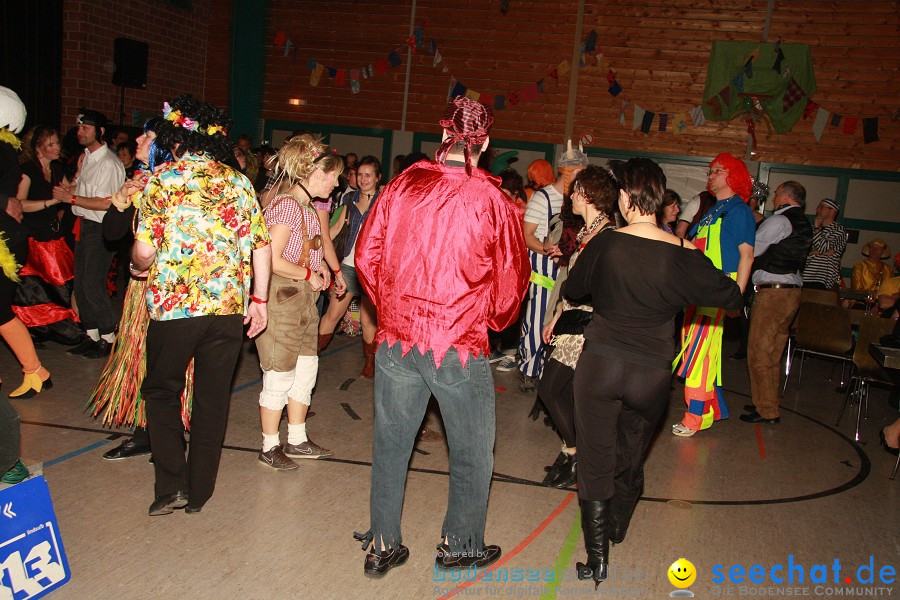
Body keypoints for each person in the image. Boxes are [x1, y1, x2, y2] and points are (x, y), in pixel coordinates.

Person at [353, 96, 529, 578]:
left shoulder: (404, 183)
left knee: (390, 442)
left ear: (444, 135)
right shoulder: (496, 202)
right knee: (472, 450)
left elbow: (366, 255)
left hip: (397, 339)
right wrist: (486, 319)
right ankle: (460, 544)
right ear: (486, 142)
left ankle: (383, 544)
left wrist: (391, 308)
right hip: (458, 341)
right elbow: (512, 286)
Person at [566, 157, 742, 588]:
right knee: (631, 451)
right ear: (659, 200)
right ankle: (619, 525)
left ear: (625, 199)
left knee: (595, 457)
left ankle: (597, 558)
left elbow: (572, 290)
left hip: (602, 364)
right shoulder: (683, 253)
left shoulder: (606, 243)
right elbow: (732, 297)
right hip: (651, 374)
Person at [130, 95, 271, 516]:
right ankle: (200, 491)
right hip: (227, 308)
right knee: (212, 397)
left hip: (175, 309)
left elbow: (142, 251)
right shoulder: (239, 182)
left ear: (176, 139)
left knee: (161, 390)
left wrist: (139, 268)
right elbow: (259, 245)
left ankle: (170, 484)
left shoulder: (163, 180)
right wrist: (259, 299)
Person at [254, 134, 345, 470]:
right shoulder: (285, 207)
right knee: (279, 373)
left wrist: (321, 268)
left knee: (305, 370)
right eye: (331, 175)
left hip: (303, 301)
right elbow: (272, 259)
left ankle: (296, 439)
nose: (335, 183)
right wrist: (308, 274)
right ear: (311, 173)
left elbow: (308, 252)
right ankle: (269, 445)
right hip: (282, 299)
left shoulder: (306, 209)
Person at [90, 118, 179, 461]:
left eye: (148, 136)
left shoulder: (177, 186)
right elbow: (111, 234)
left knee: (169, 364)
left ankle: (167, 432)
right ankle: (145, 431)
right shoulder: (139, 181)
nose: (139, 139)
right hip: (139, 293)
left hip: (171, 291)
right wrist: (122, 198)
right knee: (139, 359)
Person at [536, 165, 617, 489]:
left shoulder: (607, 234)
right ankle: (569, 451)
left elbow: (603, 287)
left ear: (588, 195)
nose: (571, 196)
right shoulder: (587, 231)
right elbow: (573, 281)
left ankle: (574, 449)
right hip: (573, 316)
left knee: (550, 389)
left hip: (588, 324)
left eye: (576, 190)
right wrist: (557, 315)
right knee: (564, 391)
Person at [672, 153, 755, 437]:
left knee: (699, 355)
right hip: (700, 290)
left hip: (718, 289)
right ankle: (707, 411)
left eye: (717, 171)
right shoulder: (713, 209)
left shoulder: (740, 211)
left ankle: (695, 416)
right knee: (699, 352)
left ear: (733, 175)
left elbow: (747, 255)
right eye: (711, 170)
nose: (711, 175)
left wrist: (736, 296)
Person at [52, 107, 126, 359]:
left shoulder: (109, 163)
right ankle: (91, 334)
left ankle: (109, 336)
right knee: (81, 285)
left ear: (100, 131)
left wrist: (70, 197)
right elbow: (77, 188)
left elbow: (106, 202)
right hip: (84, 225)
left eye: (85, 128)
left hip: (100, 228)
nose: (80, 132)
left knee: (93, 284)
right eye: (79, 127)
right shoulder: (87, 158)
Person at [740, 181, 813, 425]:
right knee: (773, 354)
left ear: (783, 196)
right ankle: (767, 403)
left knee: (759, 352)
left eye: (776, 193)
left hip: (773, 294)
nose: (773, 198)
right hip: (791, 293)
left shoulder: (780, 221)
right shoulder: (802, 223)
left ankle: (767, 410)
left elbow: (751, 250)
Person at [517, 145, 589, 392]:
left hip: (568, 270)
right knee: (537, 319)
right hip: (543, 269)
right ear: (567, 170)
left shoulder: (580, 199)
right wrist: (551, 249)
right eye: (580, 171)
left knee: (561, 322)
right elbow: (527, 236)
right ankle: (529, 370)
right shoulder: (543, 197)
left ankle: (550, 372)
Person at [13, 126, 82, 346]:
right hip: (33, 237)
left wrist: (78, 176)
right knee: (35, 289)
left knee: (63, 283)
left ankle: (58, 326)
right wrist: (49, 203)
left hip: (53, 236)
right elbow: (19, 204)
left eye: (57, 143)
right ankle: (36, 330)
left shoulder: (57, 169)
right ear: (38, 149)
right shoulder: (27, 171)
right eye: (51, 144)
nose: (56, 147)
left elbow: (68, 192)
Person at [317, 156, 381, 377]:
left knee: (367, 319)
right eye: (360, 174)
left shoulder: (384, 202)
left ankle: (370, 363)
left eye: (368, 175)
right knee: (332, 315)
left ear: (378, 178)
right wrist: (320, 253)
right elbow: (333, 231)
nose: (363, 179)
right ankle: (312, 355)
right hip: (348, 266)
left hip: (372, 270)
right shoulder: (350, 199)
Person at [802, 198, 847, 290]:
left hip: (823, 278)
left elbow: (822, 248)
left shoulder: (839, 229)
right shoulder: (811, 228)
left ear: (832, 211)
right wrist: (812, 253)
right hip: (805, 275)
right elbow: (803, 250)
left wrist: (818, 230)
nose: (817, 210)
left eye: (821, 207)